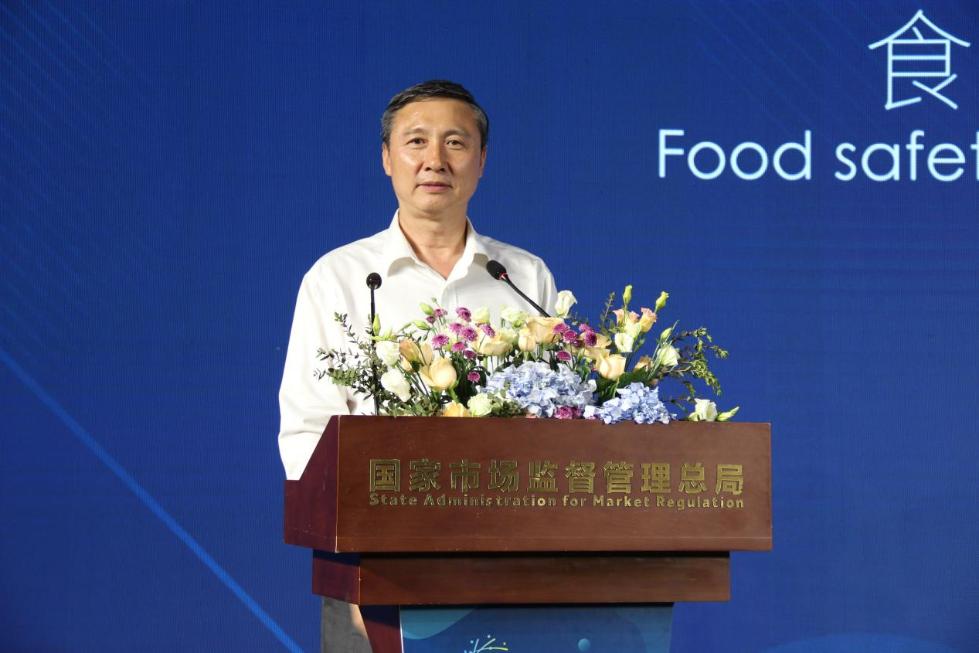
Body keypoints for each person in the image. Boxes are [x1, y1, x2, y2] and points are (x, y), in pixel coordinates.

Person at [277, 80, 558, 652]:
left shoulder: (524, 277)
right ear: (387, 158)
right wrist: (356, 564)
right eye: (416, 141)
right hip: (376, 572)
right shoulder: (338, 278)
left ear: (481, 160)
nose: (435, 160)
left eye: (455, 142)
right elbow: (308, 434)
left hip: (506, 573)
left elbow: (556, 426)